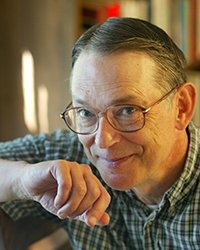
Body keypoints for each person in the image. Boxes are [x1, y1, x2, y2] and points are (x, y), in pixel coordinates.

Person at [0, 17, 199, 249]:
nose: (103, 140)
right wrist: (23, 181)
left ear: (181, 107)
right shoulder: (70, 156)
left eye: (128, 110)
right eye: (85, 112)